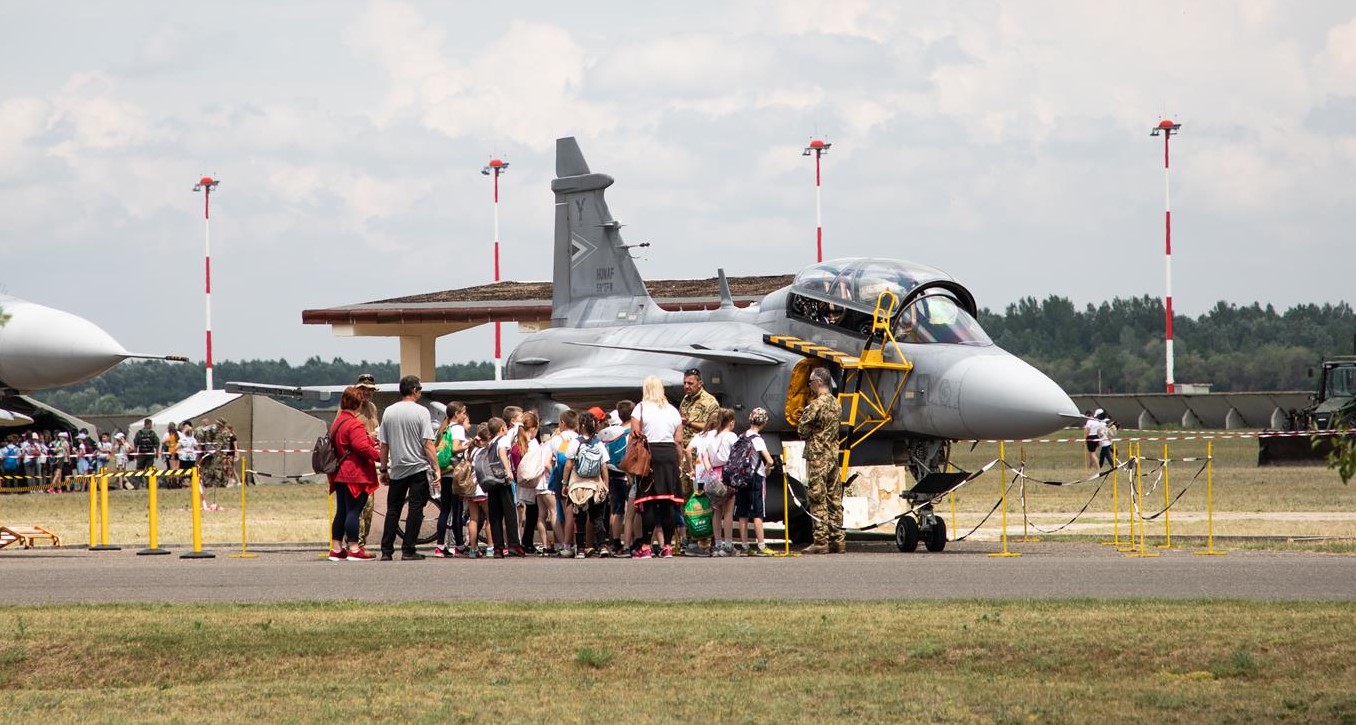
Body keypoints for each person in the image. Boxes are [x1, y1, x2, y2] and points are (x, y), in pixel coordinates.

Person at [377, 375, 440, 561]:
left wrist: (383, 469)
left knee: (393, 510)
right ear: (414, 390)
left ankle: (386, 550)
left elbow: (384, 445)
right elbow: (427, 443)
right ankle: (408, 549)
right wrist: (435, 466)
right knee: (415, 509)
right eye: (419, 389)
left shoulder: (388, 412)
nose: (420, 392)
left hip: (397, 468)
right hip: (417, 468)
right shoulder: (422, 412)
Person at [632, 375, 684, 558]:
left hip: (649, 455)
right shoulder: (673, 411)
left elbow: (635, 434)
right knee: (668, 501)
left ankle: (646, 546)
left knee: (650, 501)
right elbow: (678, 440)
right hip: (669, 455)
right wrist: (680, 462)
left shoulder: (641, 408)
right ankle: (667, 546)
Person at [327, 387, 381, 561]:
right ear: (356, 403)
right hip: (354, 473)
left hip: (339, 473)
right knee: (354, 511)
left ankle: (336, 548)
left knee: (341, 511)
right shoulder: (354, 424)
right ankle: (354, 548)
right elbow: (362, 448)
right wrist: (380, 455)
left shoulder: (338, 422)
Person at [796, 367, 843, 555]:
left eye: (810, 382)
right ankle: (838, 540)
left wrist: (812, 434)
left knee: (817, 498)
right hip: (832, 455)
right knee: (834, 498)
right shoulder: (836, 404)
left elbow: (802, 430)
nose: (810, 385)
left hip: (817, 456)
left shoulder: (815, 405)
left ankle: (821, 541)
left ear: (819, 382)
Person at [677, 368, 719, 550]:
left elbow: (713, 426)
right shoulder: (685, 401)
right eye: (685, 383)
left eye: (690, 383)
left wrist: (689, 423)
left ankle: (706, 539)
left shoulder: (710, 402)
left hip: (702, 461)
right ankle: (689, 537)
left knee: (704, 499)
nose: (686, 386)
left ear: (700, 383)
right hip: (685, 460)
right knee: (686, 498)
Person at [563, 413, 609, 558]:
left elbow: (568, 465)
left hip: (578, 485)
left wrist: (565, 483)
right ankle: (602, 546)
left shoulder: (575, 443)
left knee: (580, 517)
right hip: (595, 485)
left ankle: (581, 549)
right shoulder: (599, 443)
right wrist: (606, 486)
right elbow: (604, 467)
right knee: (597, 517)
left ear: (581, 425)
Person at [735, 408, 776, 556]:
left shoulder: (741, 436)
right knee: (758, 512)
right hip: (756, 477)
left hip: (741, 477)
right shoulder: (757, 439)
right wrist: (767, 468)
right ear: (764, 422)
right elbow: (769, 460)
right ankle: (761, 545)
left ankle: (745, 546)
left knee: (742, 512)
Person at [433, 402, 470, 558]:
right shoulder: (458, 429)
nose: (464, 415)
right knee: (457, 510)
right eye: (463, 413)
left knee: (445, 509)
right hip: (455, 472)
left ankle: (440, 546)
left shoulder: (443, 429)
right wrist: (469, 444)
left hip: (445, 472)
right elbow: (455, 448)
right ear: (456, 414)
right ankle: (459, 546)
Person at [485, 416, 525, 557]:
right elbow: (502, 453)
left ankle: (498, 547)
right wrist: (508, 471)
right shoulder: (503, 439)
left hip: (491, 480)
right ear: (502, 428)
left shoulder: (491, 442)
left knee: (495, 514)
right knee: (510, 513)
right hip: (503, 479)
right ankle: (514, 544)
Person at [598, 401, 634, 555]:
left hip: (613, 474)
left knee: (616, 510)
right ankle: (630, 542)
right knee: (632, 512)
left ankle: (615, 541)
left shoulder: (607, 432)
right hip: (628, 475)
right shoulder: (631, 432)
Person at [511, 411, 548, 552]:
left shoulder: (517, 443)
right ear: (533, 428)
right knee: (534, 514)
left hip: (521, 482)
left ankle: (525, 540)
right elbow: (539, 463)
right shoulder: (533, 444)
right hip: (533, 481)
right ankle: (528, 541)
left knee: (527, 513)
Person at [352, 373, 381, 548]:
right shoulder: (350, 408)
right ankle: (355, 544)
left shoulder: (372, 408)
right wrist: (367, 437)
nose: (367, 393)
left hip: (369, 462)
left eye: (370, 390)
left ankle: (362, 542)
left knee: (369, 507)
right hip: (354, 463)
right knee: (356, 508)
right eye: (363, 389)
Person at [463, 423, 493, 558]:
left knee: (473, 519)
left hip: (471, 488)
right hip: (484, 487)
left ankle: (473, 549)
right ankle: (491, 547)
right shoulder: (486, 451)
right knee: (489, 518)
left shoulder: (470, 450)